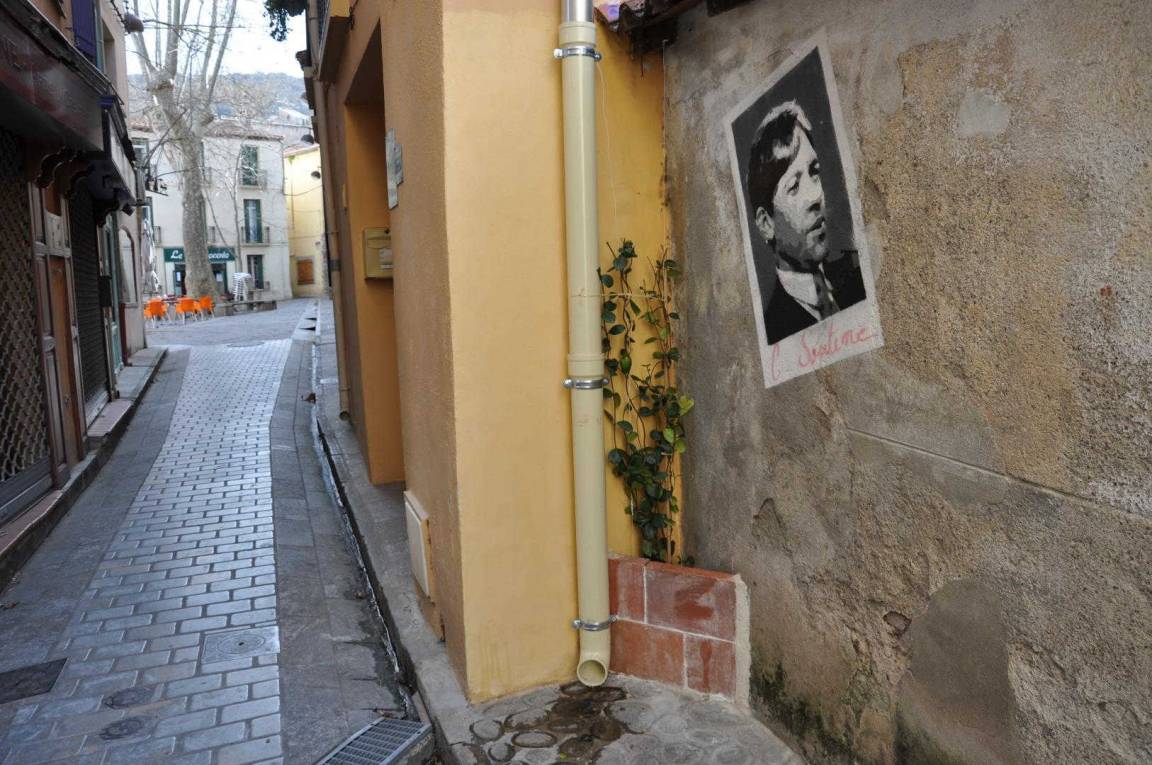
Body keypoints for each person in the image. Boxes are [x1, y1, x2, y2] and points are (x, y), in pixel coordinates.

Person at [747, 101, 865, 344]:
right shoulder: (775, 330)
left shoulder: (858, 275)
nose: (815, 196)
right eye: (793, 186)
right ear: (766, 223)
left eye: (814, 171)